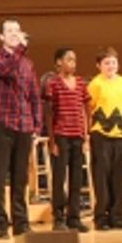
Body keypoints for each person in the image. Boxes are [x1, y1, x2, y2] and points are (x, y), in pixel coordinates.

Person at [0, 17, 41, 238]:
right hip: (1, 122)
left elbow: (34, 95)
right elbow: (6, 70)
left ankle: (21, 221)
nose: (14, 34)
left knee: (21, 177)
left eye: (17, 31)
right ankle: (0, 221)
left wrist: (37, 125)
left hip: (24, 124)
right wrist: (20, 50)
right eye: (9, 31)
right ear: (1, 36)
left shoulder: (28, 63)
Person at [87, 46, 122, 231]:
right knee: (101, 176)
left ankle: (118, 216)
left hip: (121, 134)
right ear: (99, 65)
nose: (110, 66)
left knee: (119, 177)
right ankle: (101, 217)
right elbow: (90, 108)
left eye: (113, 62)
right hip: (101, 134)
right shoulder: (95, 84)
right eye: (106, 63)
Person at [42, 47, 90, 232]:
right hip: (61, 136)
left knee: (77, 179)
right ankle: (58, 217)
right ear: (59, 62)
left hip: (77, 135)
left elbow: (86, 109)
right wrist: (52, 140)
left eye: (74, 59)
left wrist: (86, 136)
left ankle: (74, 216)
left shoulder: (80, 83)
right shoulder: (53, 83)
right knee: (59, 178)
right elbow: (49, 112)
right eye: (69, 59)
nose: (73, 62)